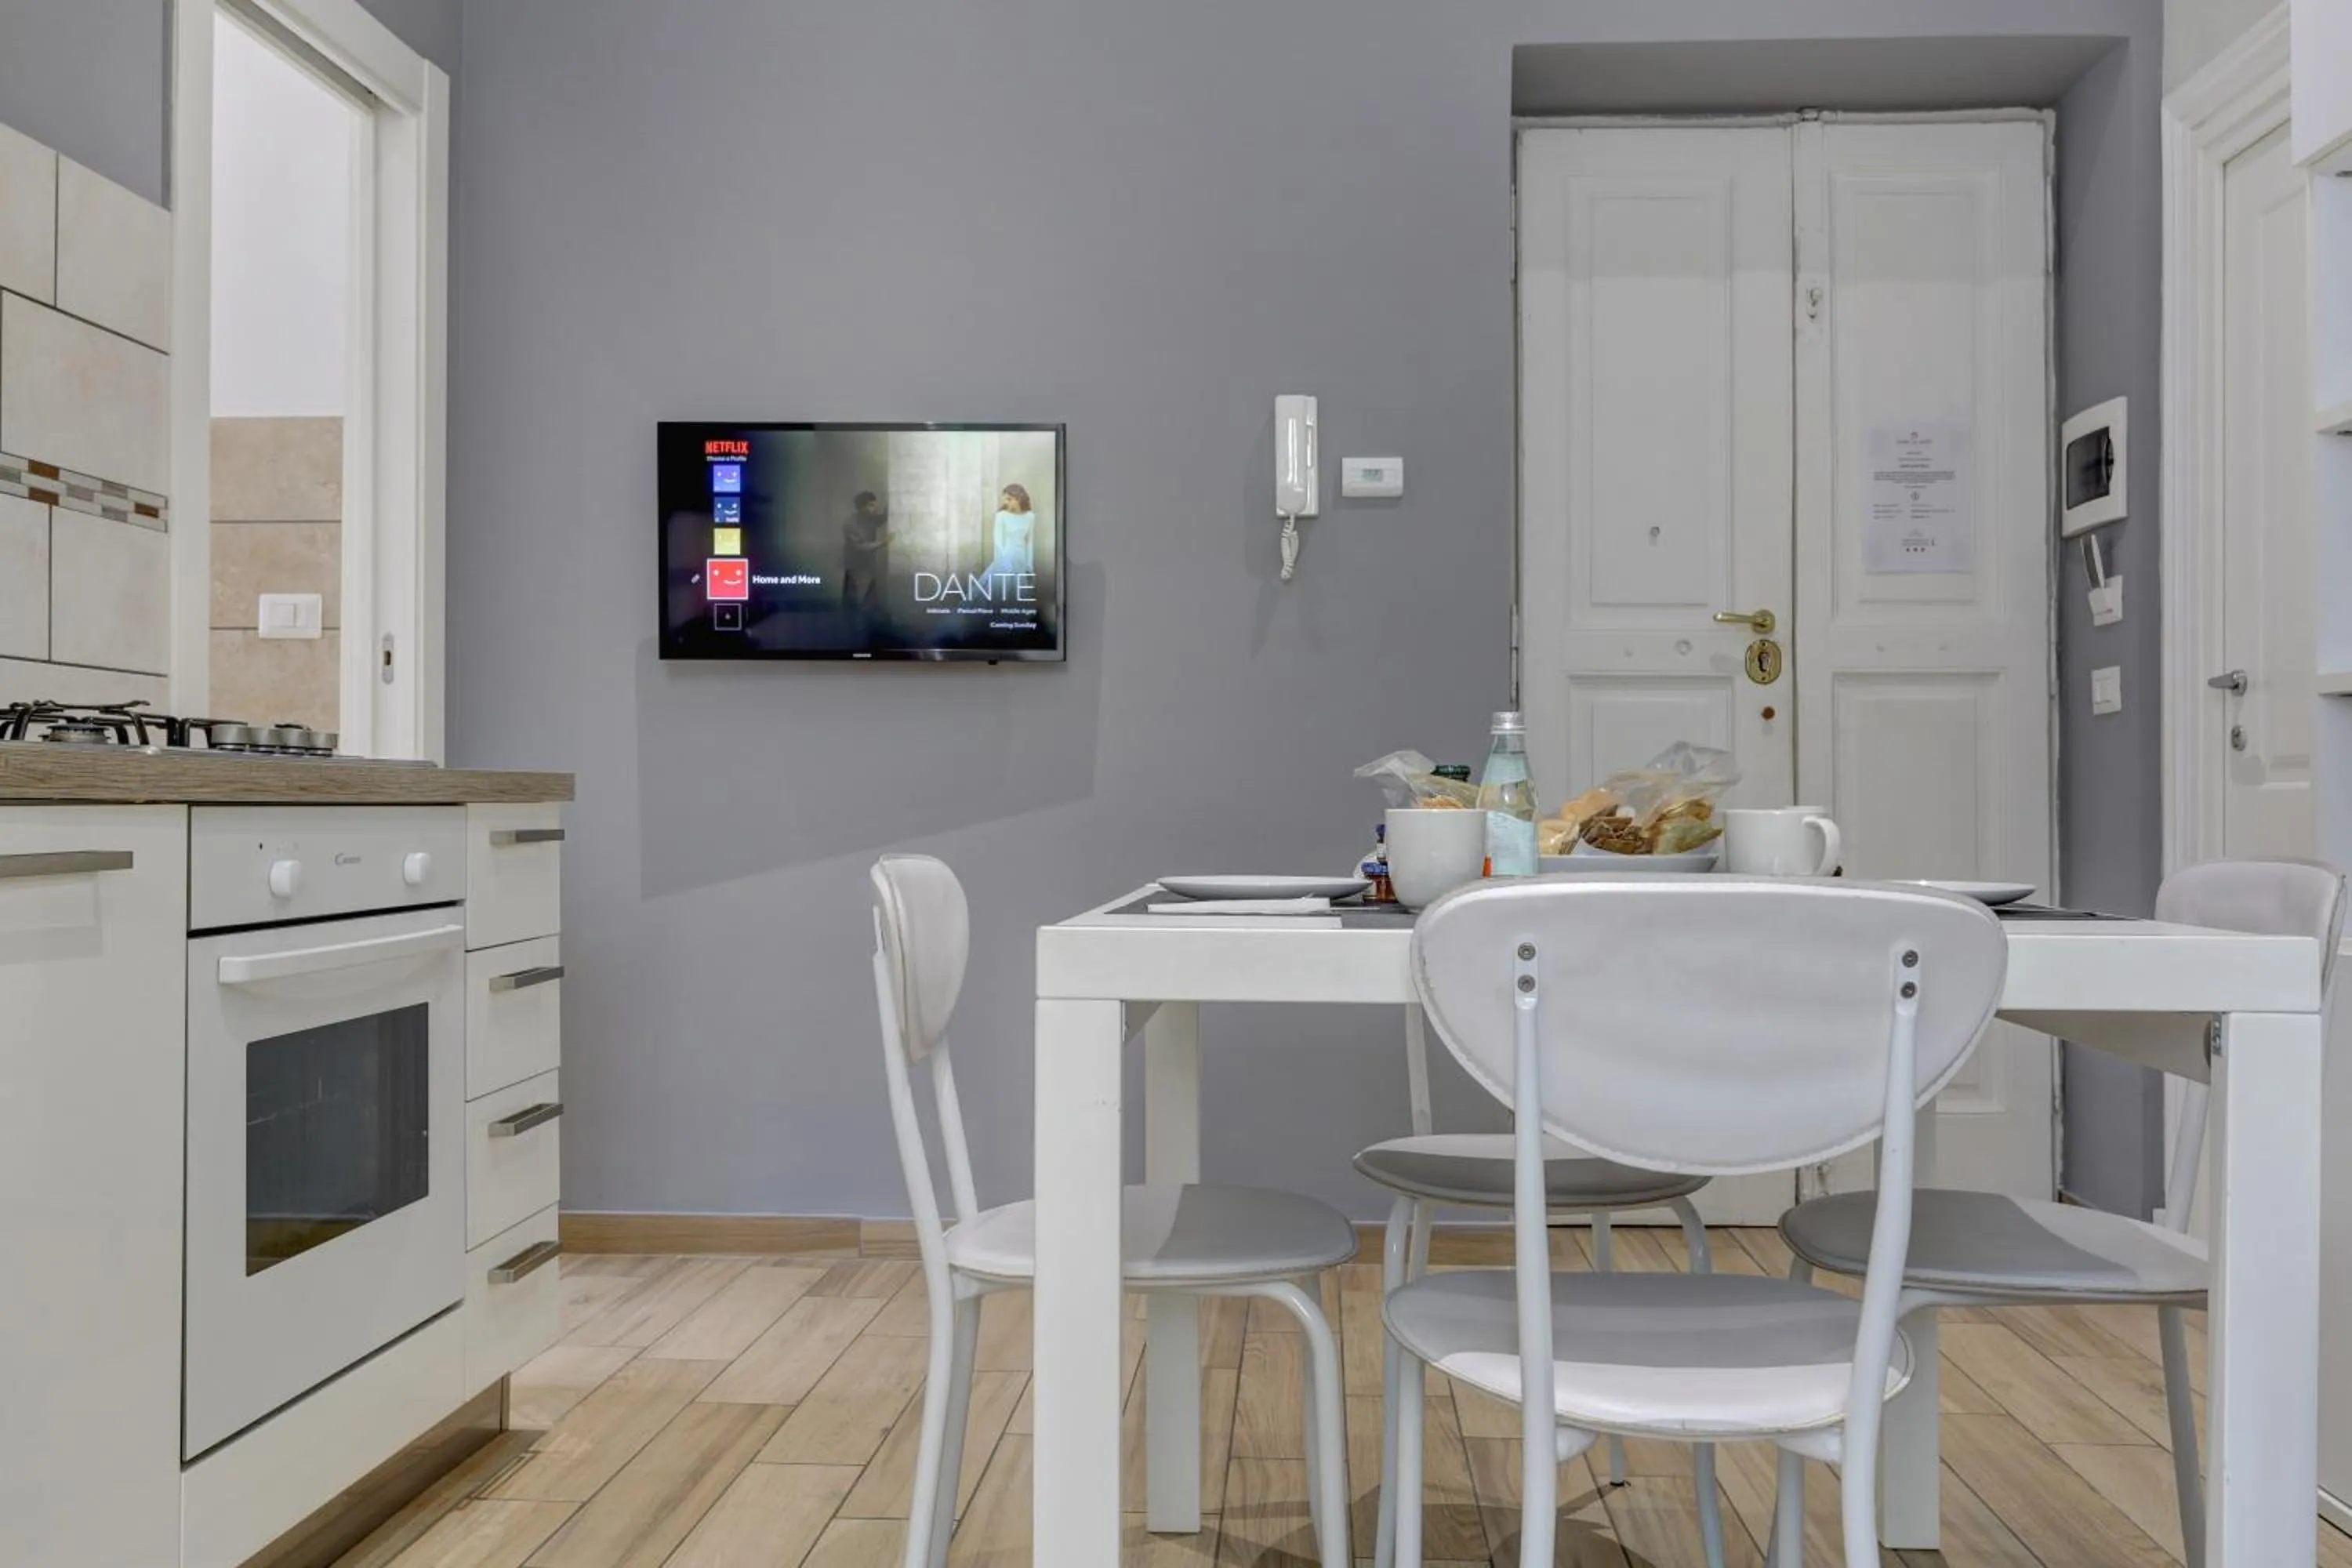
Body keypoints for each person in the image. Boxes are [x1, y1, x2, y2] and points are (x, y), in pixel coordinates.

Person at [841, 491, 891, 607]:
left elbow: (884, 517)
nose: (875, 508)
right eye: (871, 505)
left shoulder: (871, 519)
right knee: (855, 598)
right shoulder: (851, 523)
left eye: (875, 504)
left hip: (867, 565)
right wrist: (884, 542)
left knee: (868, 597)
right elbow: (860, 546)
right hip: (856, 565)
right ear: (861, 507)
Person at [983, 484, 1035, 593]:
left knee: (1018, 594)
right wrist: (1002, 564)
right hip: (1005, 559)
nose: (1005, 502)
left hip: (1020, 560)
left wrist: (1029, 566)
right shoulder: (1001, 516)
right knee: (1001, 593)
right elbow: (998, 542)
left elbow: (1030, 543)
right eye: (1005, 499)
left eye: (1009, 499)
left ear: (1018, 499)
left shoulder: (1030, 517)